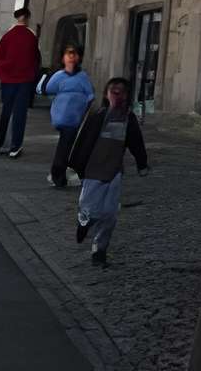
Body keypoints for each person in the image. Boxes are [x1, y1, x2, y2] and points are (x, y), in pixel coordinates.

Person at [69, 78, 149, 266]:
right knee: (89, 206)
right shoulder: (97, 115)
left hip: (113, 171)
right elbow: (83, 141)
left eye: (121, 91)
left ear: (127, 95)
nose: (117, 95)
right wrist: (76, 165)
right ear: (106, 94)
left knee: (110, 214)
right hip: (93, 170)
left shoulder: (128, 119)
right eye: (113, 91)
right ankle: (84, 222)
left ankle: (99, 249)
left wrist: (142, 163)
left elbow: (136, 142)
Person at [39, 44, 95, 186]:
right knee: (65, 145)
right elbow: (48, 89)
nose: (71, 57)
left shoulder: (82, 77)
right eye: (68, 53)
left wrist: (86, 110)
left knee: (68, 145)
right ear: (63, 57)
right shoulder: (59, 76)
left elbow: (90, 95)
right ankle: (58, 174)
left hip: (77, 117)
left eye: (74, 54)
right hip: (63, 116)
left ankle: (62, 173)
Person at [0, 5, 41, 157]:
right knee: (20, 113)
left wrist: (4, 69)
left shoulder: (7, 35)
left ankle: (0, 145)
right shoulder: (31, 36)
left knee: (6, 111)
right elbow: (36, 58)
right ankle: (15, 147)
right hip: (25, 80)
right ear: (27, 18)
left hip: (7, 80)